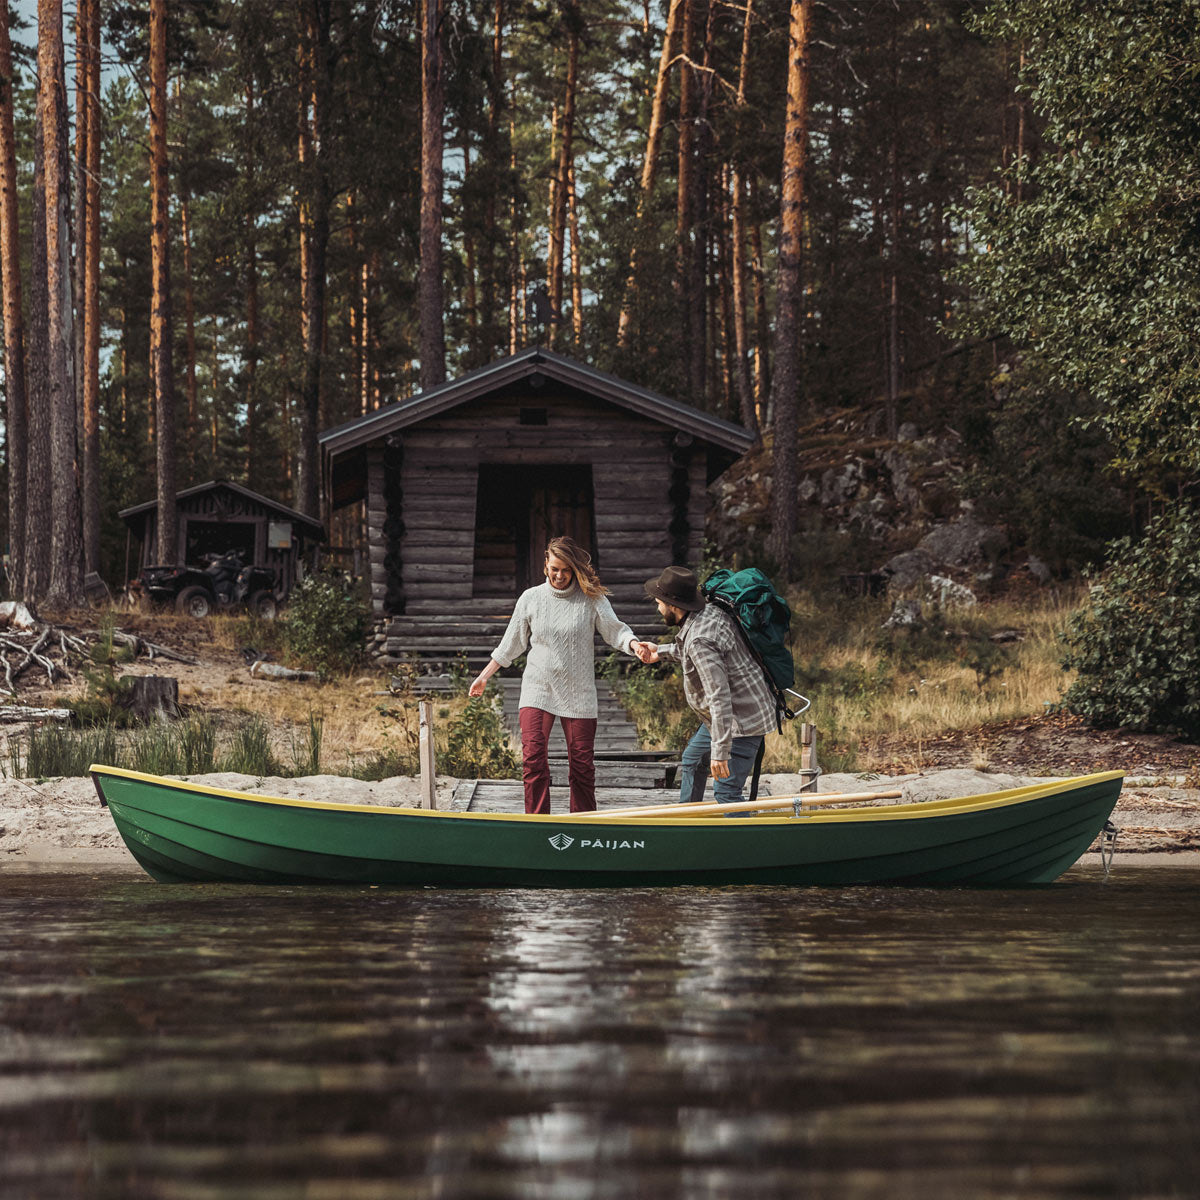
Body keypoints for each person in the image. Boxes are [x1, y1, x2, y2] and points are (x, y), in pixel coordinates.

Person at [470, 536, 651, 814]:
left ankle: (582, 823)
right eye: (555, 568)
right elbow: (511, 644)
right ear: (546, 565)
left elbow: (615, 630)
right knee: (532, 757)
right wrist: (484, 676)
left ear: (575, 570)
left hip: (578, 691)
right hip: (538, 687)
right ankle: (537, 823)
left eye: (566, 569)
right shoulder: (531, 598)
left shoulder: (591, 599)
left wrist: (634, 644)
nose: (559, 575)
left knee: (581, 765)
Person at [636, 565, 777, 810]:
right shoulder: (706, 612)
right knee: (692, 759)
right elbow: (696, 649)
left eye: (659, 603)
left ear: (673, 605)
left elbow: (719, 697)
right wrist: (661, 652)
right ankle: (688, 823)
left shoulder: (701, 640)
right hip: (726, 717)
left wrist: (720, 750)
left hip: (741, 722)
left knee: (726, 792)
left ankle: (748, 845)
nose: (658, 608)